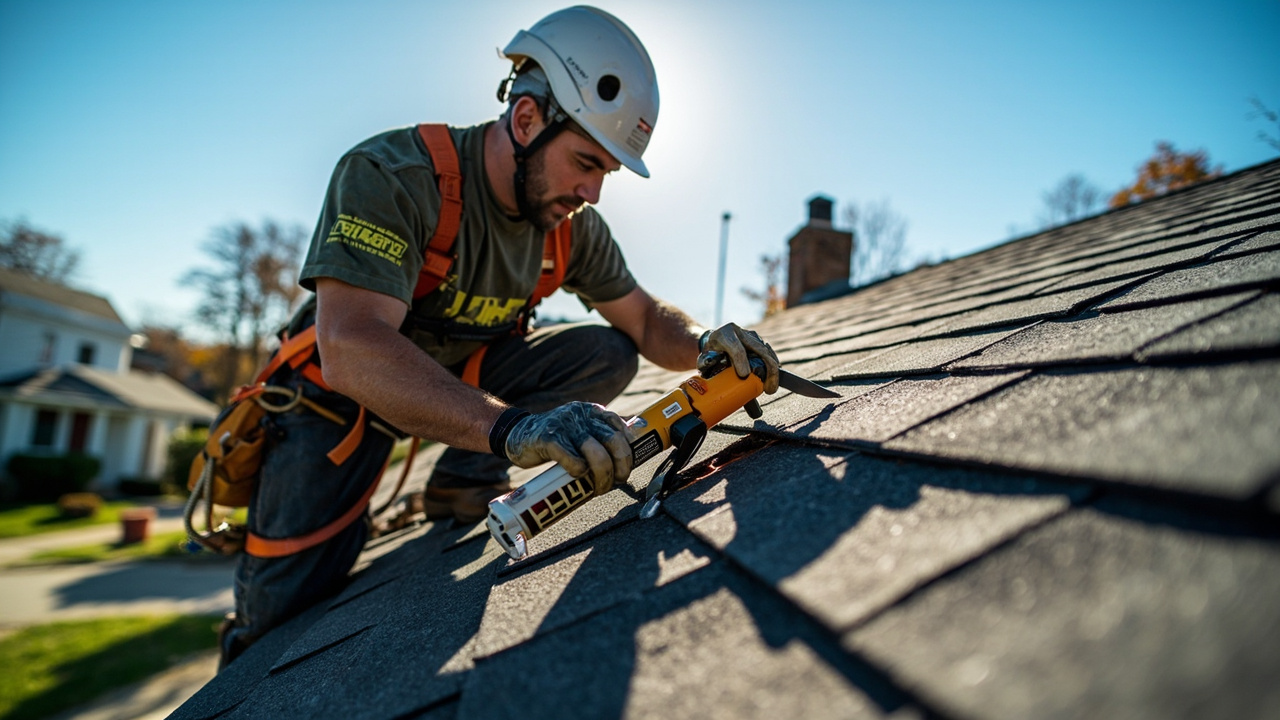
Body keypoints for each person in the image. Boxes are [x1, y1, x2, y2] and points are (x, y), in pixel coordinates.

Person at [218, 5, 780, 667]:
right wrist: (515, 429)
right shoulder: (392, 175)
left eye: (607, 172)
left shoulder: (566, 224)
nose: (594, 191)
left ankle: (462, 481)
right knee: (281, 614)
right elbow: (352, 345)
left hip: (461, 386)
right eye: (585, 162)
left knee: (605, 350)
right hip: (338, 403)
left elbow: (646, 320)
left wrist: (708, 341)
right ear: (525, 119)